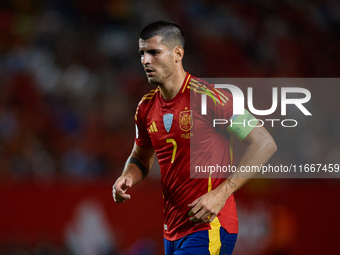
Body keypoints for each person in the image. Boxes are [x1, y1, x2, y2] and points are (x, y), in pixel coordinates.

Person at [112, 20, 277, 255]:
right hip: (172, 230)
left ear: (178, 53)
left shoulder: (211, 98)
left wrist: (222, 193)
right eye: (142, 53)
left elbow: (263, 142)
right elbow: (140, 157)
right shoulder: (145, 108)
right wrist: (127, 177)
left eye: (154, 52)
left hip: (209, 225)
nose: (145, 60)